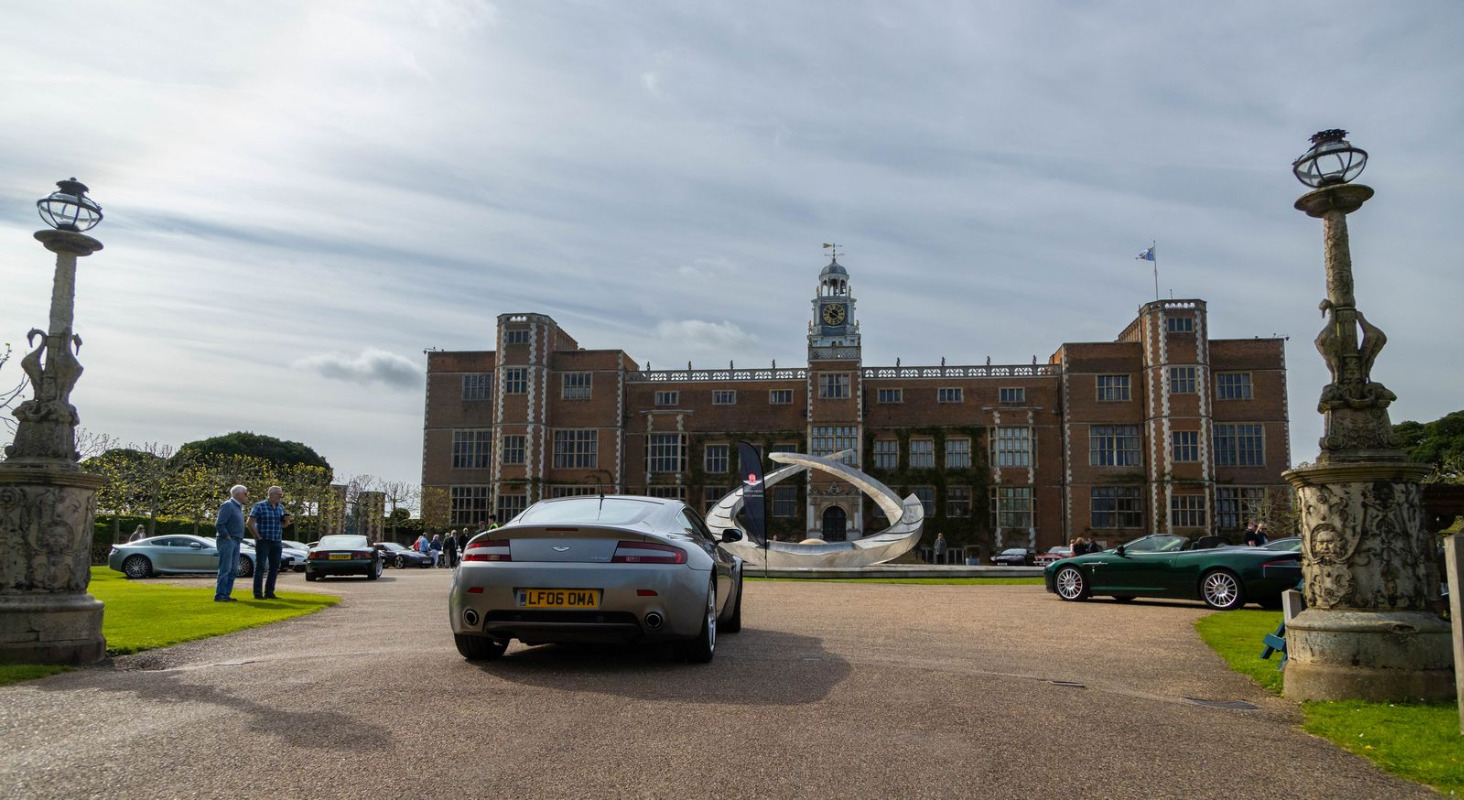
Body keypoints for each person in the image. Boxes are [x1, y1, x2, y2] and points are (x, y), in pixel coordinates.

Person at [248, 485, 291, 600]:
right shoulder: (259, 506)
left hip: (276, 540)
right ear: (271, 494)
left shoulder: (280, 507)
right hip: (264, 540)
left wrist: (286, 522)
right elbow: (250, 522)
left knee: (275, 567)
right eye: (279, 495)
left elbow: (283, 525)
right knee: (260, 566)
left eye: (281, 495)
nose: (280, 497)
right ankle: (258, 593)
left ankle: (269, 592)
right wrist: (257, 536)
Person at [214, 485, 248, 602]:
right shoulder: (228, 505)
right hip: (228, 540)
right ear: (238, 494)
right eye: (245, 494)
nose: (246, 496)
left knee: (233, 569)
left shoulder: (238, 507)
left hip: (236, 541)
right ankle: (220, 595)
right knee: (225, 568)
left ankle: (226, 594)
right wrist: (226, 536)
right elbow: (220, 523)